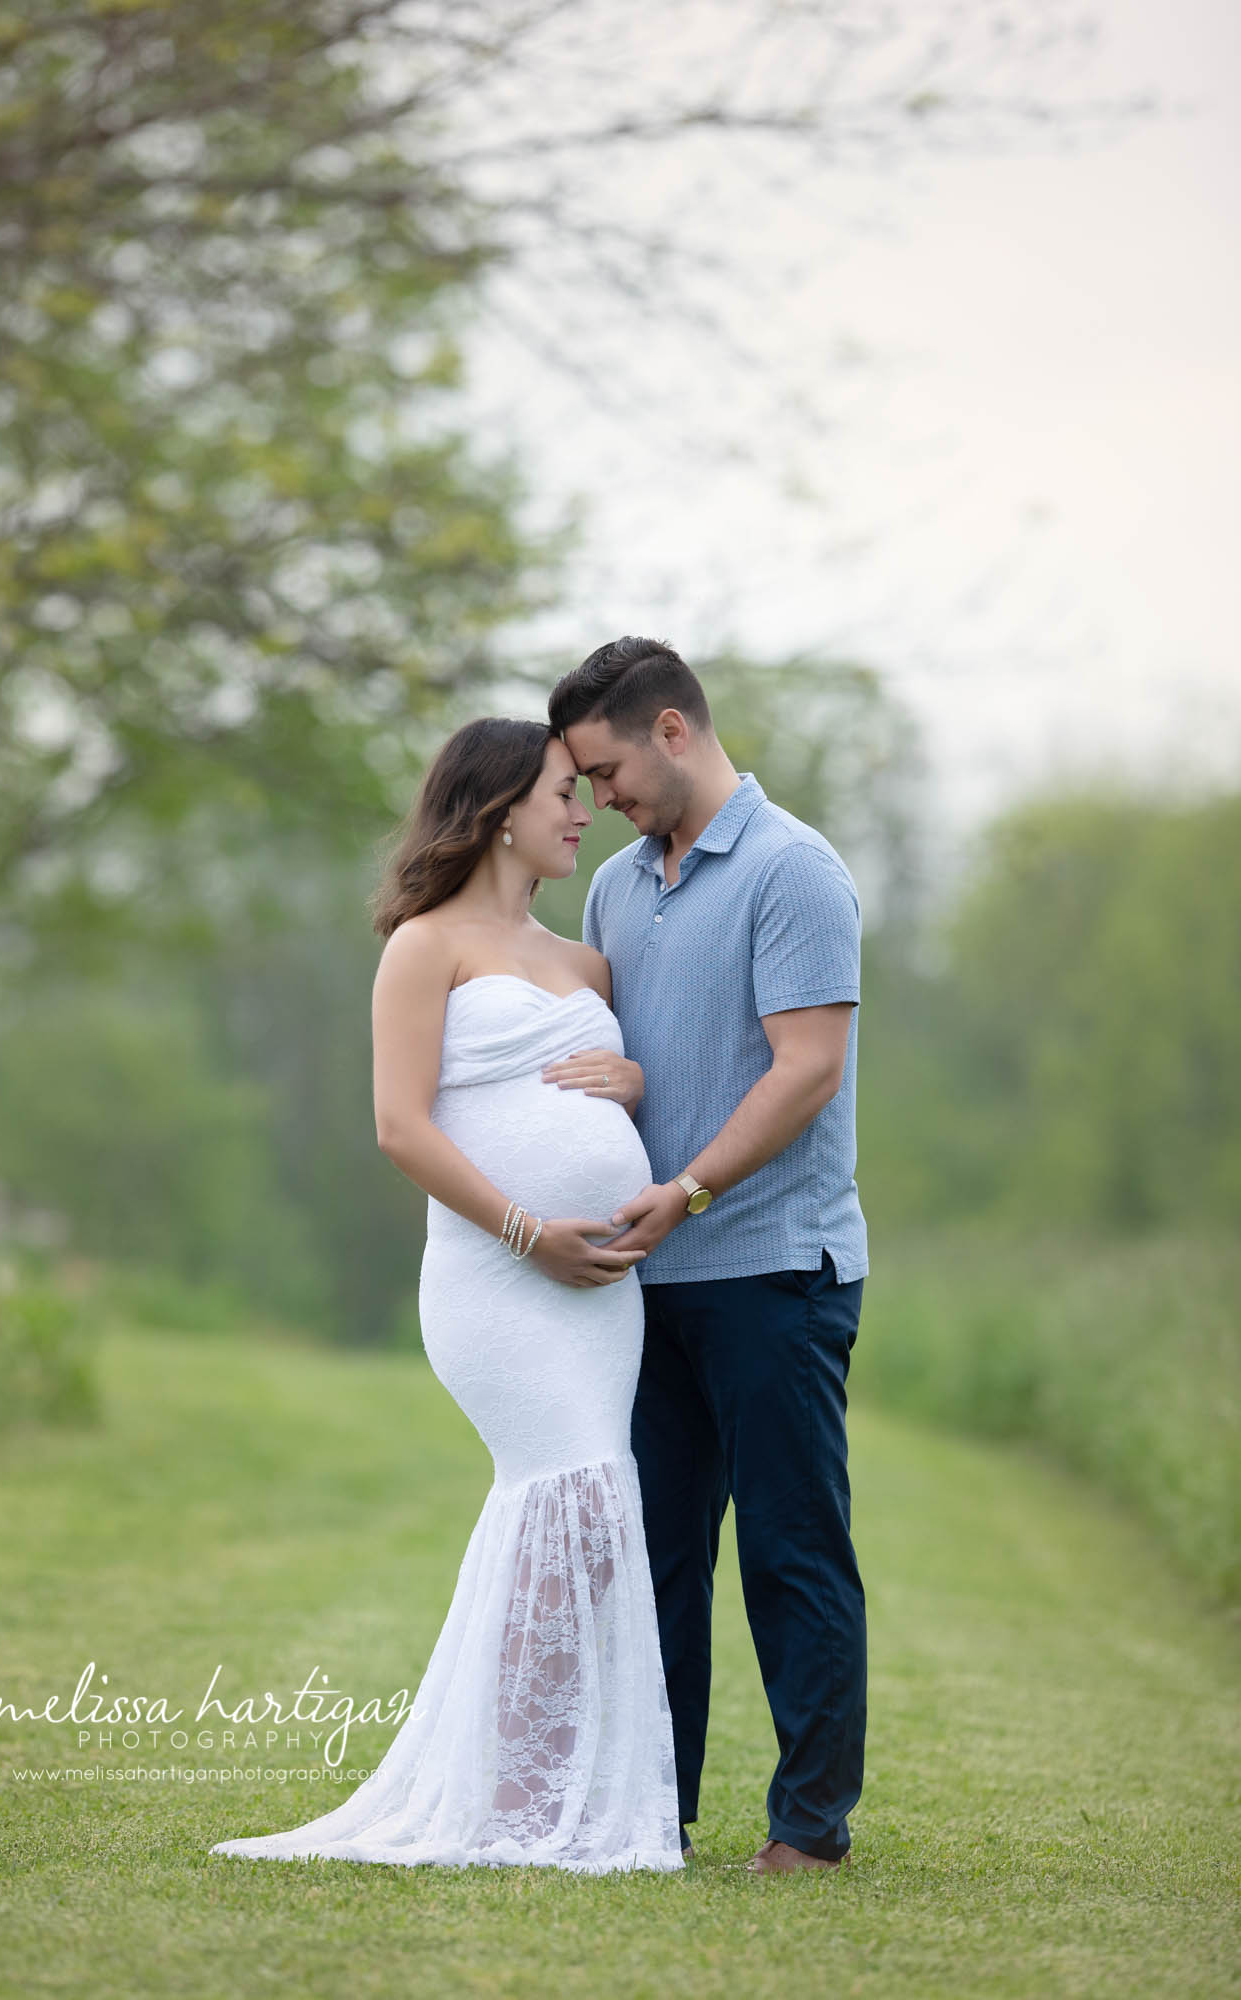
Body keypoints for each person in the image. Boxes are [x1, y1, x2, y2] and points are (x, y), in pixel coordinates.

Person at [209, 717, 685, 1875]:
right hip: (496, 1282)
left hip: (601, 1295)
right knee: (568, 1492)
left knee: (586, 1514)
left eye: (584, 791)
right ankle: (521, 1795)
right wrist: (527, 1231)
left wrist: (633, 1077)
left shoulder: (587, 961)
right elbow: (400, 1125)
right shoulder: (423, 946)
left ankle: (536, 1786)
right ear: (496, 806)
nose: (582, 812)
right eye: (562, 792)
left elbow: (618, 1101)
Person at [548, 636, 868, 1875]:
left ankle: (808, 1827)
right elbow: (636, 1058)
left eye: (608, 768)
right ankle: (652, 1812)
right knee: (656, 1553)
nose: (600, 798)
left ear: (671, 729)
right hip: (647, 1283)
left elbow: (808, 1068)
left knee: (793, 1549)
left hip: (772, 1271)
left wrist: (684, 1187)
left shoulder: (796, 871)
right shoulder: (619, 888)